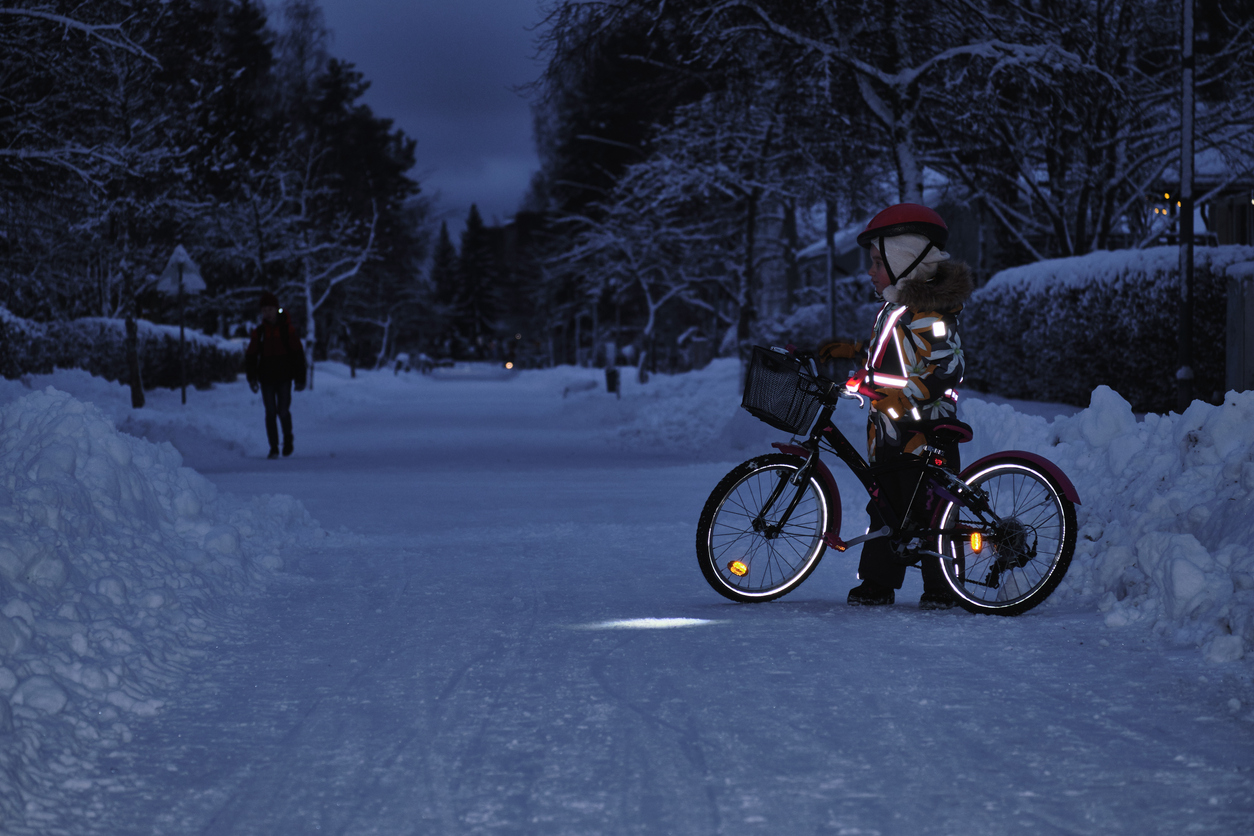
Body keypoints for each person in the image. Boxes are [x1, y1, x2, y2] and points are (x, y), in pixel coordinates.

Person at [817, 203, 973, 610]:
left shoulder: (930, 314)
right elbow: (895, 355)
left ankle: (942, 586)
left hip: (924, 433)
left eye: (876, 262)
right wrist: (855, 351)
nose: (870, 271)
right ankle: (877, 582)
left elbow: (947, 366)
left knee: (933, 509)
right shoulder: (896, 308)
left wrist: (901, 396)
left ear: (903, 262)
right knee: (885, 506)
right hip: (890, 431)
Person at [244, 291, 307, 459]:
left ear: (276, 309)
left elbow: (298, 355)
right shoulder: (259, 333)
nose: (267, 313)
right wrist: (252, 378)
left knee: (283, 410)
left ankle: (287, 439)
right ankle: (273, 447)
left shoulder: (287, 330)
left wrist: (300, 378)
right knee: (270, 412)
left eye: (270, 309)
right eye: (264, 310)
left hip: (284, 377)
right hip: (266, 378)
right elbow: (251, 356)